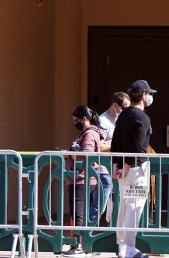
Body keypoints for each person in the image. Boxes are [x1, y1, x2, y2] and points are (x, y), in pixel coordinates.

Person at [111, 80, 155, 258]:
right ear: (144, 95)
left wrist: (117, 165)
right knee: (134, 206)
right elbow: (138, 148)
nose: (150, 97)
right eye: (149, 94)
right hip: (135, 169)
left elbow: (115, 142)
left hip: (122, 167)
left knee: (124, 205)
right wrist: (128, 166)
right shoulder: (142, 117)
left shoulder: (123, 114)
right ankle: (129, 246)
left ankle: (123, 245)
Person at [64, 106, 109, 256]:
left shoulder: (89, 134)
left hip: (82, 179)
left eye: (76, 120)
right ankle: (82, 246)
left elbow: (87, 155)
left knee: (78, 213)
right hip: (81, 178)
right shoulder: (88, 133)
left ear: (84, 118)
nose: (75, 122)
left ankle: (79, 246)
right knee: (79, 212)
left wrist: (69, 155)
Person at [97, 92, 129, 224]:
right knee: (105, 205)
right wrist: (117, 145)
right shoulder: (102, 121)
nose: (127, 111)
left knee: (119, 204)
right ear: (115, 105)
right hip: (105, 171)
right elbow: (98, 146)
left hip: (118, 169)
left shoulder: (121, 119)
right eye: (125, 108)